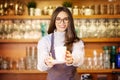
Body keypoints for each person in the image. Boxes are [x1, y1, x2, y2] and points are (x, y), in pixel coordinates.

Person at [37, 6, 85, 80]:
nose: (62, 22)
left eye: (65, 19)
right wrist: (46, 62)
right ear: (54, 21)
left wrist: (72, 59)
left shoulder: (77, 41)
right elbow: (40, 66)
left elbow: (80, 59)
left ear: (69, 21)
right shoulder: (45, 40)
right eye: (58, 19)